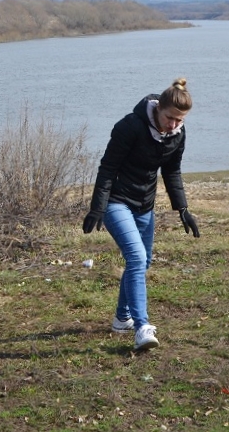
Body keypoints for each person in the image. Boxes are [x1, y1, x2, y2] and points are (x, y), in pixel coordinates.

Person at [83, 78, 200, 351]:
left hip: (144, 205)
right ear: (158, 108)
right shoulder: (130, 126)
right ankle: (141, 326)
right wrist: (97, 207)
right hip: (116, 202)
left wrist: (182, 208)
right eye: (170, 117)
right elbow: (107, 168)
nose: (173, 125)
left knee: (143, 262)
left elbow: (172, 171)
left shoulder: (177, 134)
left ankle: (121, 318)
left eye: (179, 120)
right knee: (135, 257)